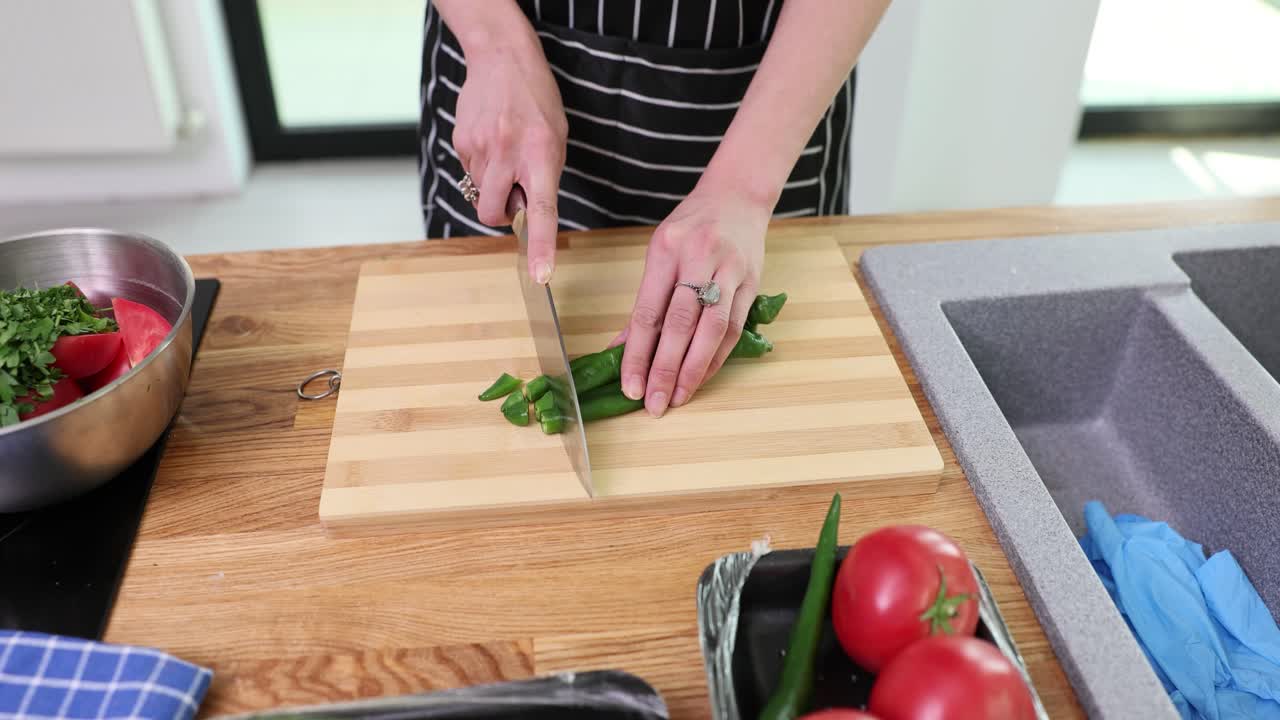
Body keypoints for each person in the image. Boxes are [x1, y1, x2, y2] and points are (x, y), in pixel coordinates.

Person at [420, 1, 889, 418]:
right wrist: (492, 39)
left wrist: (745, 186)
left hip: (771, 93)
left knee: (733, 311)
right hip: (501, 90)